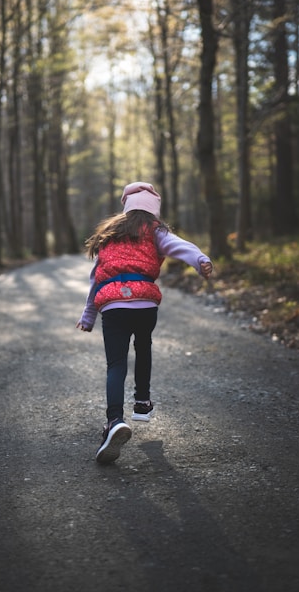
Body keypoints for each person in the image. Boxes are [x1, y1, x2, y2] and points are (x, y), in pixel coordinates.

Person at [76, 181, 213, 464]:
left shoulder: (110, 234)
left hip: (112, 304)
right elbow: (179, 246)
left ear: (126, 208)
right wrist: (199, 260)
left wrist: (89, 315)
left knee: (115, 364)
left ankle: (114, 420)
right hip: (145, 302)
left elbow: (96, 277)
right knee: (144, 346)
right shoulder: (156, 231)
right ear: (154, 211)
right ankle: (141, 402)